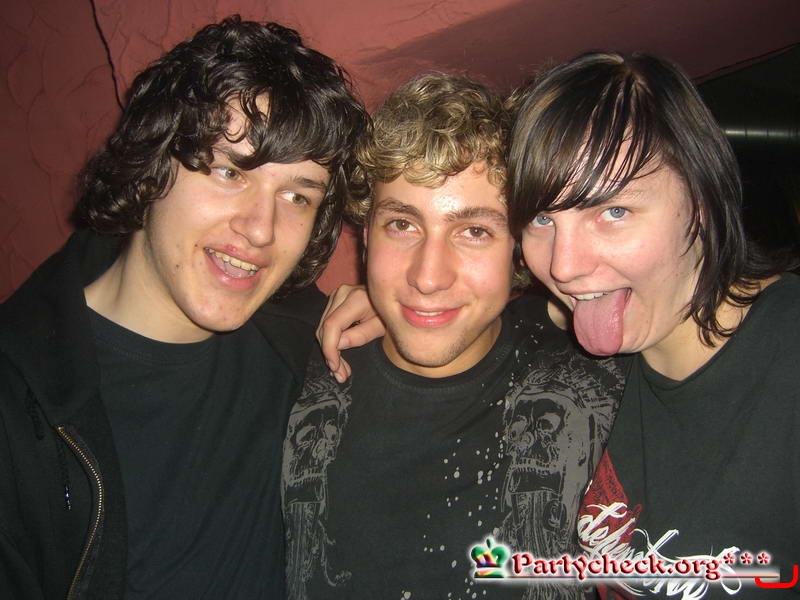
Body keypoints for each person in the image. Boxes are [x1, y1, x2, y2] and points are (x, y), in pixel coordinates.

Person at [0, 16, 367, 599]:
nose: (261, 229)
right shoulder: (20, 410)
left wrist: (401, 322)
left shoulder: (301, 339)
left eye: (297, 196)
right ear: (153, 163)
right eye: (229, 171)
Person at [282, 72, 625, 600]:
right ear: (366, 234)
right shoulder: (287, 374)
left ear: (518, 250)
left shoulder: (601, 383)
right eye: (403, 225)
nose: (428, 277)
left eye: (474, 231)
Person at [506, 51, 800, 599]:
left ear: (701, 200)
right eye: (543, 218)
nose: (563, 266)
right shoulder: (595, 347)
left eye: (613, 211)